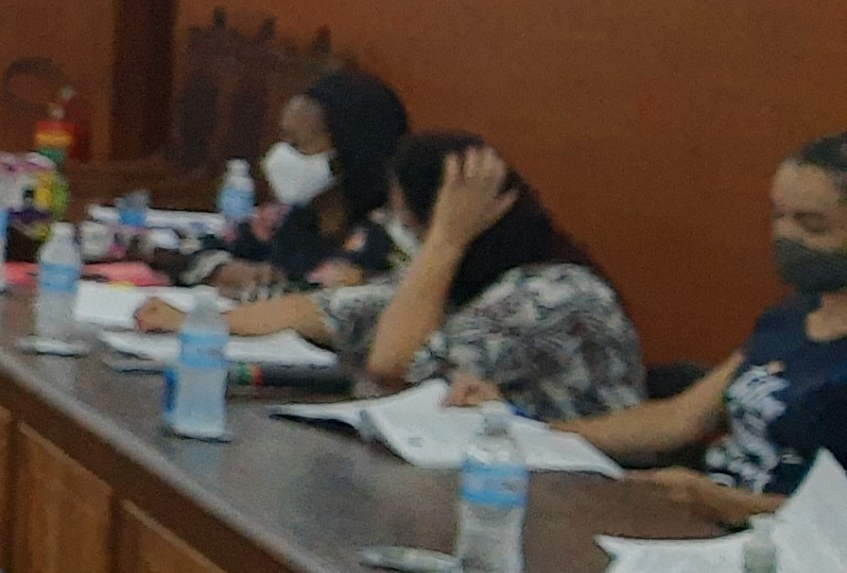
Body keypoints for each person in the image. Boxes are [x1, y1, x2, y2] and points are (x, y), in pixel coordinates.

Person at [470, 133, 847, 523]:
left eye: (812, 225)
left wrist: (726, 504)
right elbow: (679, 419)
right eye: (778, 216)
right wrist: (526, 431)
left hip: (778, 538)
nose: (786, 235)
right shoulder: (792, 318)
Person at [140, 131, 641, 424]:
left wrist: (446, 238)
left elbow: (395, 365)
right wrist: (198, 321)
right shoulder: (463, 279)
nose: (395, 227)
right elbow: (323, 309)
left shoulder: (552, 292)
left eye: (409, 219)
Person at [193, 68, 409, 292]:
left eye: (297, 144)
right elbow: (194, 250)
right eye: (283, 139)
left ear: (349, 154)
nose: (278, 157)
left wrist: (264, 283)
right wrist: (222, 269)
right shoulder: (281, 220)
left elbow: (326, 302)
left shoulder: (383, 240)